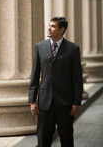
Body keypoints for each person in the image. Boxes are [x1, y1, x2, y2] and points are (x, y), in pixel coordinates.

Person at [29, 16, 83, 147]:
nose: (49, 28)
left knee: (67, 140)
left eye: (53, 26)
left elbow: (77, 78)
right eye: (49, 25)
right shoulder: (40, 47)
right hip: (44, 103)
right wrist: (32, 101)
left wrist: (76, 103)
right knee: (43, 140)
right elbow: (35, 75)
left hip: (65, 104)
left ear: (62, 29)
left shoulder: (72, 49)